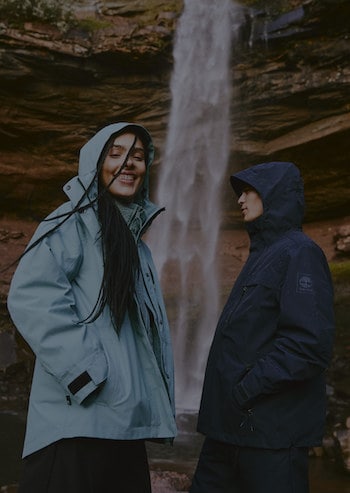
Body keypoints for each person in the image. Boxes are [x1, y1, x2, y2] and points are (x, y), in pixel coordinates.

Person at [7, 122, 177, 493]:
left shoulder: (137, 247)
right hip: (77, 421)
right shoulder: (70, 222)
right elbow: (31, 297)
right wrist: (88, 374)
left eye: (136, 156)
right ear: (94, 163)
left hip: (123, 423)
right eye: (115, 154)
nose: (127, 163)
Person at [190, 161, 335, 493]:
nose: (240, 200)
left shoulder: (300, 253)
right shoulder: (264, 255)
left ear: (276, 194)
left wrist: (245, 390)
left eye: (249, 191)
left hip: (271, 436)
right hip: (227, 432)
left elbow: (309, 345)